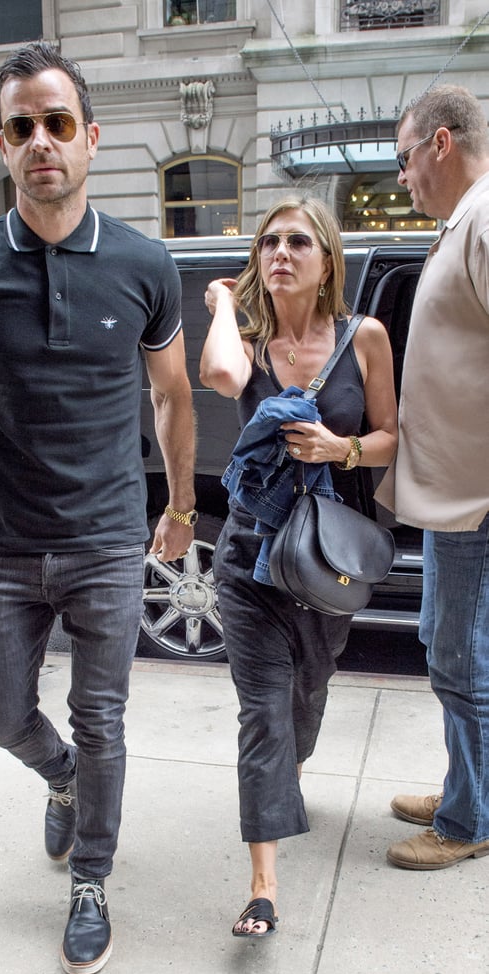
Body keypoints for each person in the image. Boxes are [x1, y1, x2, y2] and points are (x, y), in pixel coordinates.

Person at [0, 41, 196, 974]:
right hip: (3, 544)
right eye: (23, 127)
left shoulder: (144, 264)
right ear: (3, 144)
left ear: (89, 139)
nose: (42, 142)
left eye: (57, 124)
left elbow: (172, 397)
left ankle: (92, 882)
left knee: (103, 714)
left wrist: (180, 504)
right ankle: (60, 777)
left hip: (109, 539)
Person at [200, 195, 398, 936]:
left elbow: (390, 435)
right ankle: (263, 887)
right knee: (262, 713)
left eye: (297, 243)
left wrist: (336, 448)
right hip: (250, 554)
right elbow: (219, 374)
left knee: (305, 703)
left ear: (325, 263)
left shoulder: (364, 337)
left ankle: (292, 771)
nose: (280, 252)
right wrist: (222, 297)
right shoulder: (246, 342)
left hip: (325, 561)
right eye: (268, 243)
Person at [375, 85, 489, 870]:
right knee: (445, 646)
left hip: (477, 501)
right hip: (453, 497)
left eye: (404, 157)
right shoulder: (464, 223)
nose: (402, 177)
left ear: (440, 144)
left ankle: (468, 819)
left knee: (461, 659)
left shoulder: (484, 219)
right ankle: (465, 787)